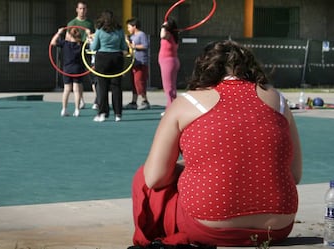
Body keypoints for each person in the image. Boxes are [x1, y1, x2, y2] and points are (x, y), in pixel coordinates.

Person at [130, 40, 303, 247]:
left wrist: (187, 167)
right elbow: (294, 174)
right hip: (276, 227)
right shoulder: (279, 101)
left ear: (203, 69)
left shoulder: (187, 103)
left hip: (209, 227)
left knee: (143, 176)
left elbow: (154, 178)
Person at [90, 10, 128, 122]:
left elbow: (94, 47)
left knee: (102, 87)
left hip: (102, 59)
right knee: (116, 87)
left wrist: (90, 41)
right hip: (117, 58)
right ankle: (118, 114)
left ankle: (102, 113)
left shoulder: (100, 30)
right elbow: (124, 46)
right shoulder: (120, 30)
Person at [51, 27, 90, 117]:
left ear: (69, 35)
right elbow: (93, 44)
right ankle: (77, 110)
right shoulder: (81, 45)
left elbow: (52, 43)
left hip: (67, 70)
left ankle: (64, 109)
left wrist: (58, 33)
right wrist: (88, 34)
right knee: (76, 90)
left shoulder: (65, 43)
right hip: (78, 69)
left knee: (66, 90)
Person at [67, 1, 96, 109]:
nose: (82, 11)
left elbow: (94, 36)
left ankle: (97, 100)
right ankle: (81, 100)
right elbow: (67, 38)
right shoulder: (72, 23)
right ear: (77, 9)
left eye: (84, 8)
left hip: (87, 50)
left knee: (93, 76)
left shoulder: (89, 23)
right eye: (80, 8)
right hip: (76, 51)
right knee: (78, 78)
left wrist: (90, 35)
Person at [124, 17, 151, 110]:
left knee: (139, 82)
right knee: (133, 82)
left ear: (134, 26)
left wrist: (134, 46)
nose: (128, 29)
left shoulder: (141, 34)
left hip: (141, 63)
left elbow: (145, 45)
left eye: (129, 27)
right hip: (134, 63)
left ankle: (145, 101)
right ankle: (134, 102)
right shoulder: (131, 37)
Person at [158, 17, 180, 116]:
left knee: (168, 88)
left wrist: (163, 26)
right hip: (173, 61)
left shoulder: (167, 35)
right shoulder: (174, 36)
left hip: (168, 62)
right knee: (172, 87)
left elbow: (162, 35)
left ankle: (171, 110)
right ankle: (171, 107)